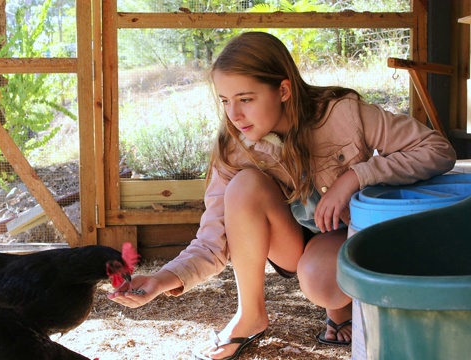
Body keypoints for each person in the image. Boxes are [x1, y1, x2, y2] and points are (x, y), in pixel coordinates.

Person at [107, 31, 457, 360]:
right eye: (226, 101)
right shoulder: (233, 147)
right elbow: (214, 239)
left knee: (321, 282)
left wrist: (355, 176)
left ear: (284, 90)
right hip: (294, 241)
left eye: (246, 99)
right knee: (244, 185)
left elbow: (437, 149)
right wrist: (162, 278)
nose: (235, 114)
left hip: (351, 232)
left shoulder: (343, 113)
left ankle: (341, 303)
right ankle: (250, 315)